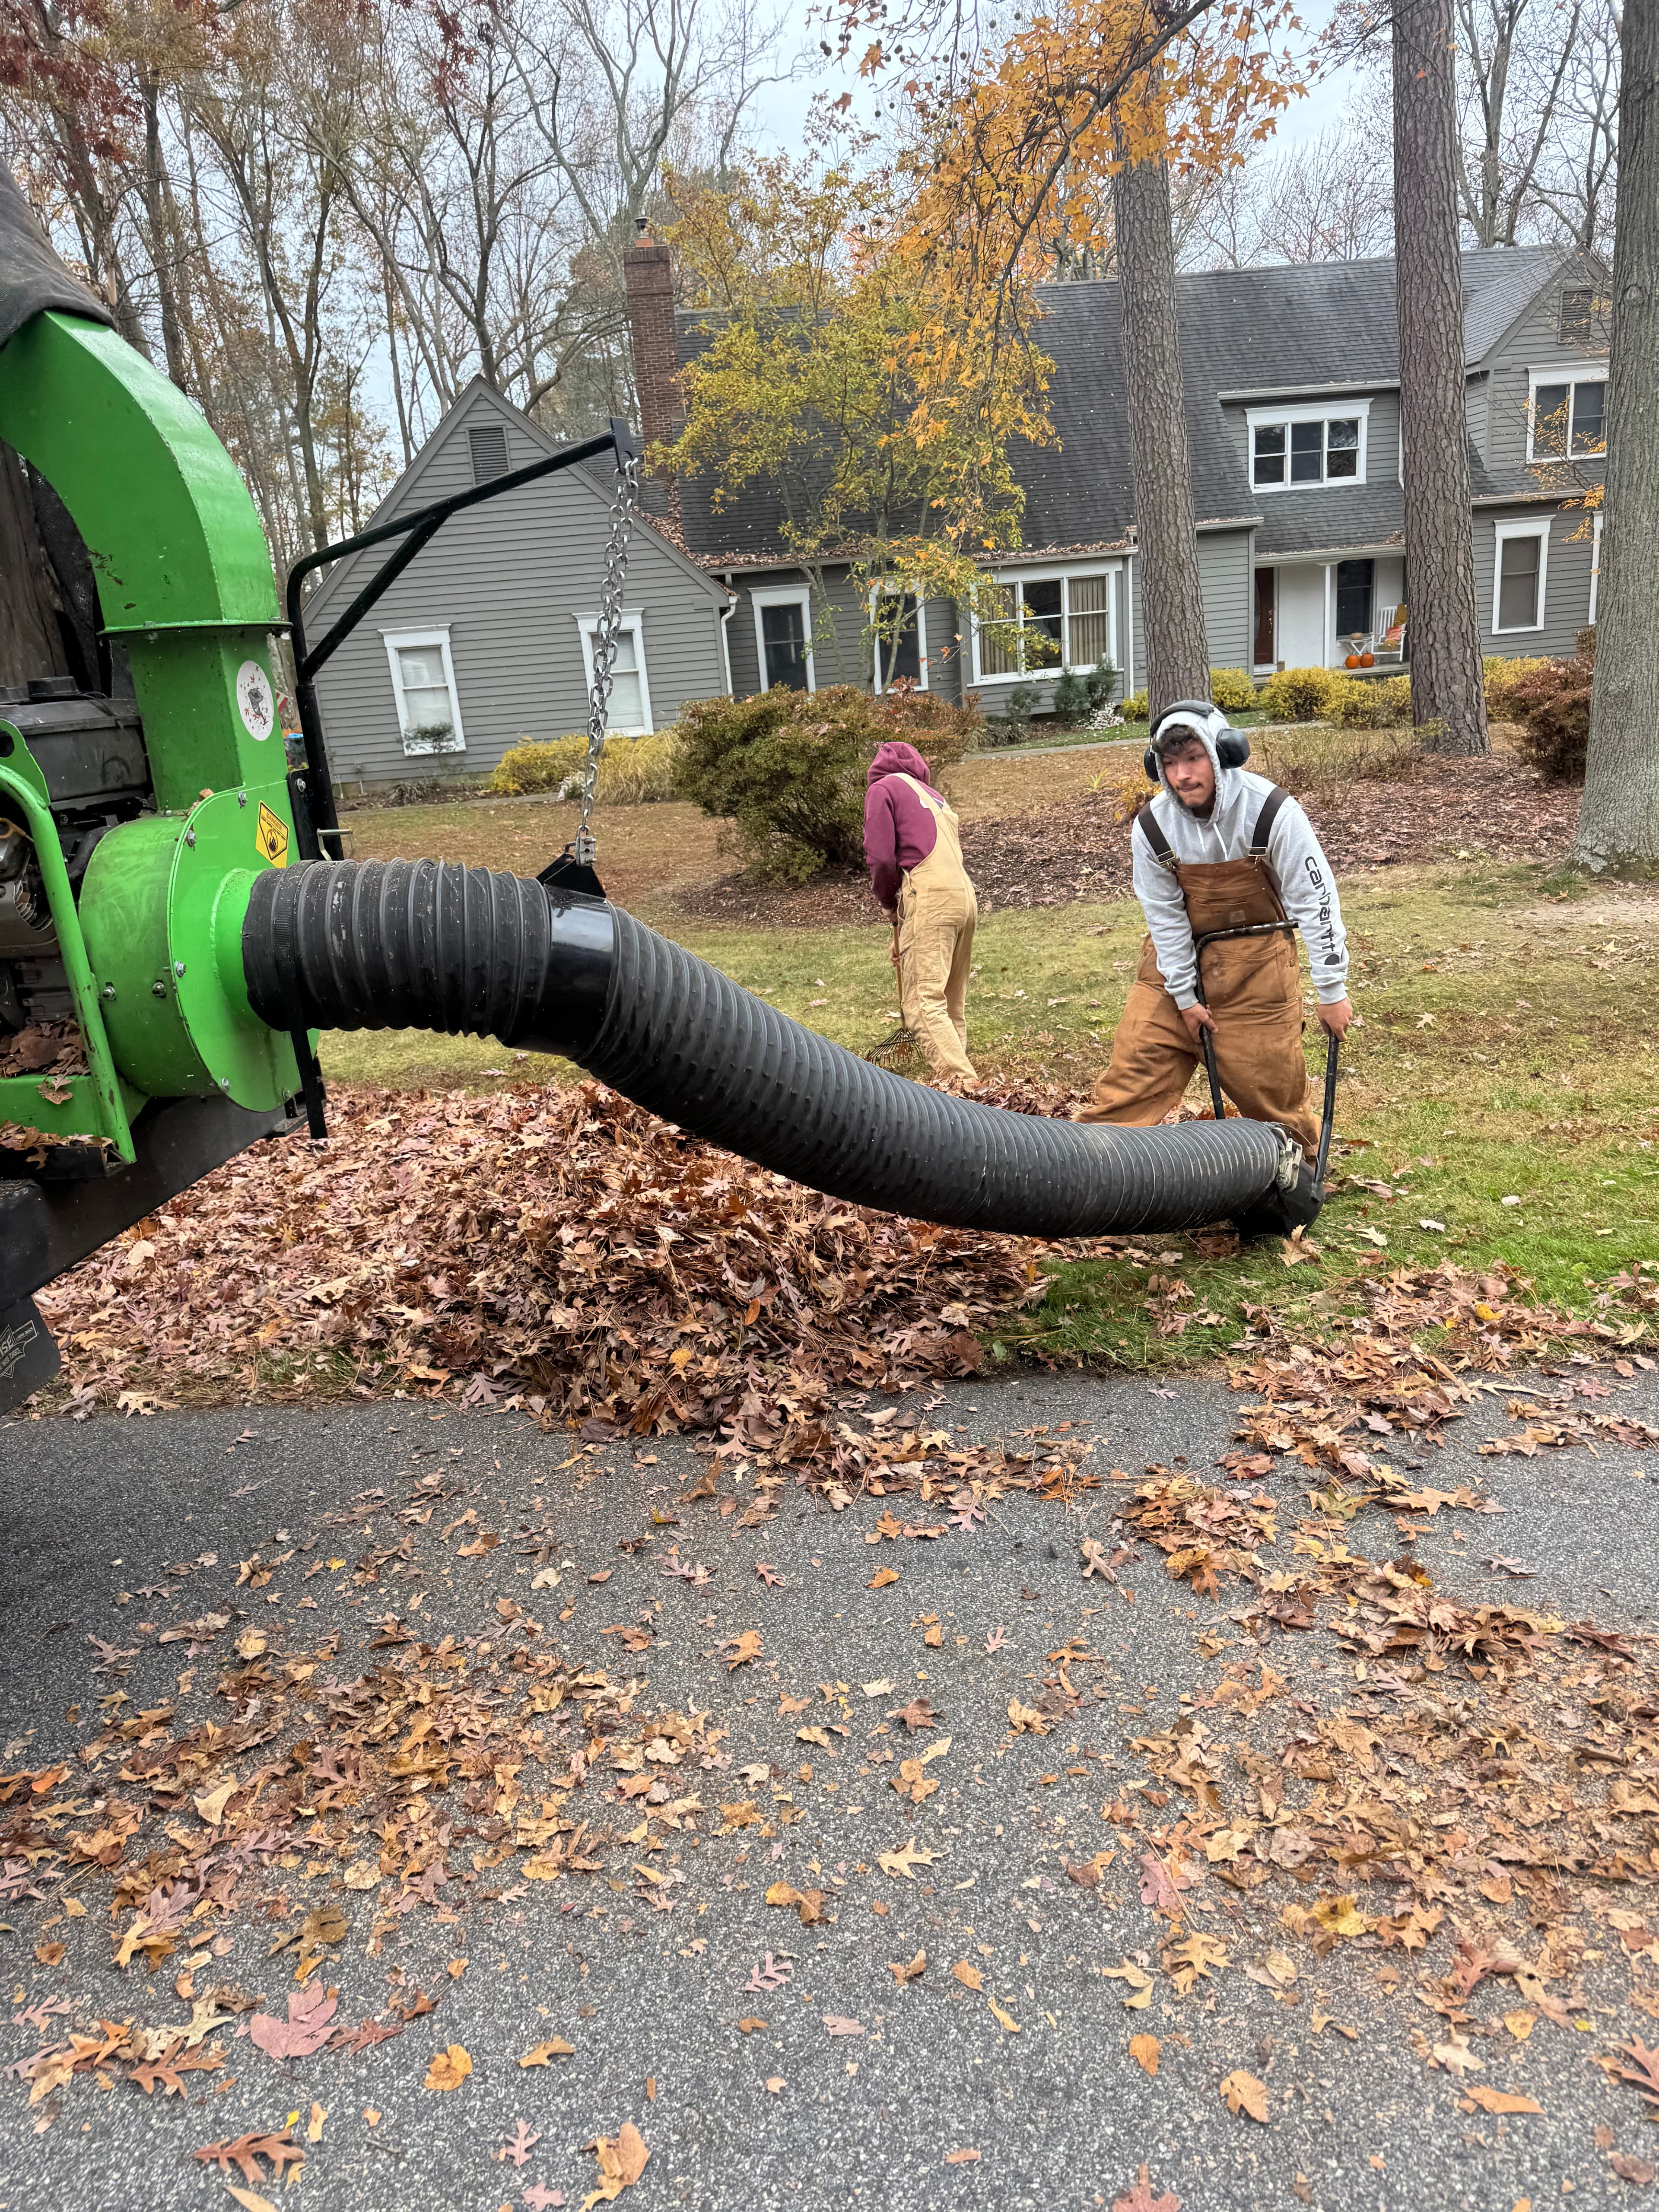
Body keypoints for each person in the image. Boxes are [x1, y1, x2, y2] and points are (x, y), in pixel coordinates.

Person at [1080, 700, 1352, 1156]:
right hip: (1172, 972)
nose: (1182, 775)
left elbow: (1316, 900)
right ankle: (1084, 1172)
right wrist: (1185, 999)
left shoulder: (1273, 812)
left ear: (1224, 753)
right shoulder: (1152, 827)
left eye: (1193, 758)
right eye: (1170, 764)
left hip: (1259, 974)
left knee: (1275, 1102)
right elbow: (1164, 916)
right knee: (1127, 1084)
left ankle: (1294, 1173)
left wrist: (1332, 989)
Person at [864, 739, 978, 1084]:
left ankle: (967, 1091)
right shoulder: (934, 796)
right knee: (949, 1000)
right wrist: (903, 924)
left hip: (930, 896)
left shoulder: (882, 789)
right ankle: (964, 1076)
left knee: (922, 1002)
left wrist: (888, 903)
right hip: (964, 897)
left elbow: (881, 858)